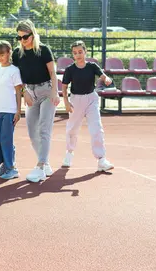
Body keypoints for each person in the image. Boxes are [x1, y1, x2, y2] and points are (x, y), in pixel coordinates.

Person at [11, 20, 60, 183]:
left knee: (44, 128)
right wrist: (25, 93)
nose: (22, 41)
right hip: (30, 93)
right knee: (32, 132)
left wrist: (55, 92)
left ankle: (40, 167)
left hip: (46, 91)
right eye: (19, 38)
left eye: (25, 37)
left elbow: (53, 73)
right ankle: (45, 162)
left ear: (33, 34)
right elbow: (17, 79)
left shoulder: (44, 50)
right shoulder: (17, 54)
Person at [61, 41, 114, 172]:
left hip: (91, 99)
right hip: (75, 100)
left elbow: (103, 75)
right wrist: (66, 102)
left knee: (96, 128)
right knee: (72, 129)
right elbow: (64, 86)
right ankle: (69, 152)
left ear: (85, 52)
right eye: (75, 53)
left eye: (80, 52)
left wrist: (106, 79)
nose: (78, 55)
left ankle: (101, 159)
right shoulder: (70, 69)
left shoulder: (92, 66)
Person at [0, 40, 23, 180]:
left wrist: (18, 111)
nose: (0, 57)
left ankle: (11, 169)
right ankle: (5, 163)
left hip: (10, 110)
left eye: (2, 54)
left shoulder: (14, 70)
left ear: (9, 53)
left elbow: (18, 91)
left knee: (6, 139)